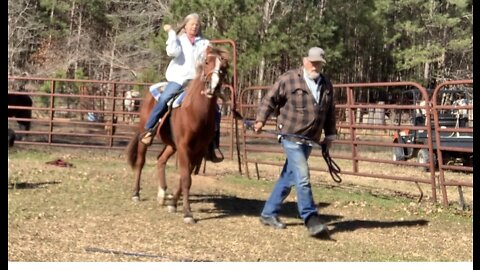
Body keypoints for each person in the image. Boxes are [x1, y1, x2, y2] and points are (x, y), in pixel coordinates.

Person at [253, 47, 336, 237]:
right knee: (302, 175)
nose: (315, 66)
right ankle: (310, 218)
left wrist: (330, 135)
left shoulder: (326, 84)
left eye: (319, 63)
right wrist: (260, 120)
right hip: (290, 136)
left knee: (289, 177)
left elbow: (330, 111)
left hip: (309, 139)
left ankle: (268, 213)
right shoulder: (289, 79)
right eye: (313, 62)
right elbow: (269, 99)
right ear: (305, 61)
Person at [140, 13, 209, 145]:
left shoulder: (204, 43)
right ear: (185, 25)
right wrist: (171, 33)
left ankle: (212, 143)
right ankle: (149, 129)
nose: (194, 27)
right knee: (165, 98)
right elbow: (172, 52)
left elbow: (208, 58)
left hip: (196, 81)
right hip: (179, 80)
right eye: (192, 24)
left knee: (213, 106)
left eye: (197, 25)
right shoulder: (179, 40)